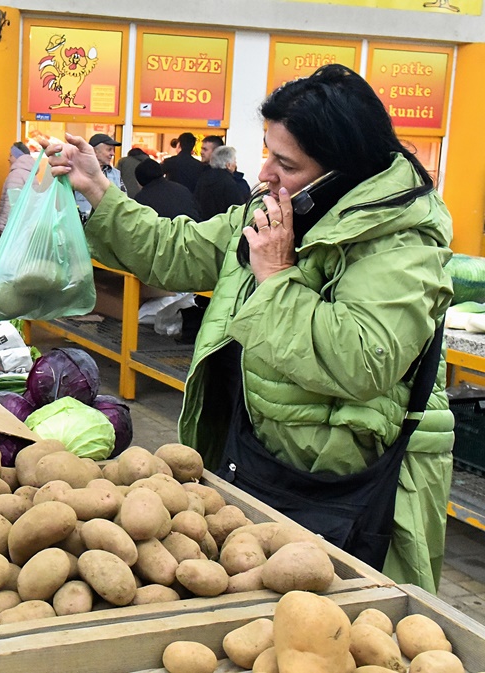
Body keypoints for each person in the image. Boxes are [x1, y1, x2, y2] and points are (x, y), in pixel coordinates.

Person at [48, 64, 453, 592]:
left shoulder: (401, 243)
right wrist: (99, 188)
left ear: (343, 172)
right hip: (257, 457)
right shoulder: (276, 210)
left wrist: (278, 275)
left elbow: (362, 361)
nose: (264, 173)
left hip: (344, 492)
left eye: (285, 162)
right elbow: (179, 251)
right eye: (266, 152)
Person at [74, 133, 124, 219]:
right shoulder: (78, 173)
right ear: (94, 151)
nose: (113, 154)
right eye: (109, 149)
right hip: (82, 227)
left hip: (108, 227)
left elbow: (124, 201)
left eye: (113, 150)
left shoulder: (116, 174)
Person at [133, 157, 200, 220]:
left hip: (166, 231)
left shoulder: (142, 199)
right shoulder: (182, 189)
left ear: (140, 180)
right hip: (191, 229)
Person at [193, 145, 247, 220]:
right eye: (234, 160)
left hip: (204, 224)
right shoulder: (230, 182)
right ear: (228, 165)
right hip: (223, 225)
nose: (235, 164)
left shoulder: (203, 178)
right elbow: (237, 209)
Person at [0, 141, 34, 238]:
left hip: (13, 228)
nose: (8, 159)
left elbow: (11, 203)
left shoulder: (16, 174)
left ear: (18, 158)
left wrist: (1, 226)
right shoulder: (31, 174)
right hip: (26, 227)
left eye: (11, 155)